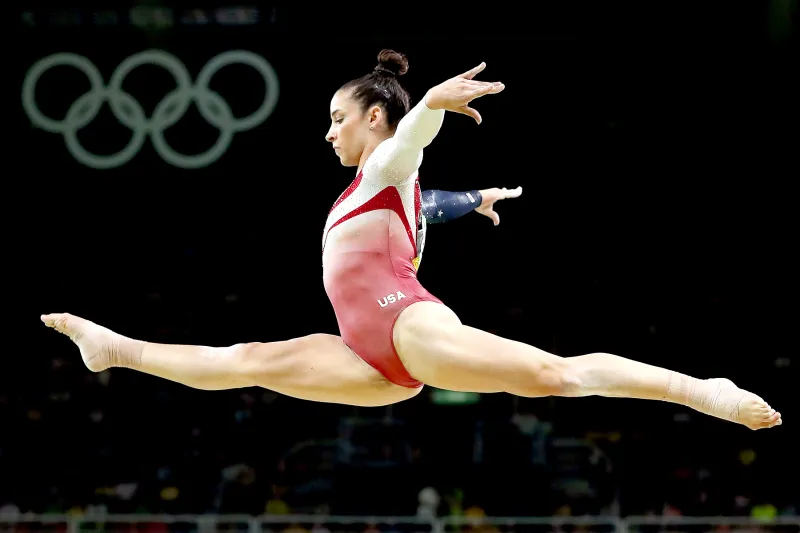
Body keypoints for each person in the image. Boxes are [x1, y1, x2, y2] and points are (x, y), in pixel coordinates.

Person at [42, 50, 781, 431]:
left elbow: (411, 156)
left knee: (555, 376)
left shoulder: (385, 160)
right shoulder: (378, 194)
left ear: (373, 118)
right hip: (370, 362)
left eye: (339, 116)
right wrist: (472, 200)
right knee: (251, 362)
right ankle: (115, 349)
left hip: (407, 324)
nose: (329, 130)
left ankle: (701, 390)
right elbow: (422, 199)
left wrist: (427, 102)